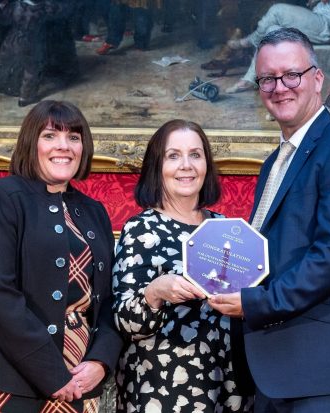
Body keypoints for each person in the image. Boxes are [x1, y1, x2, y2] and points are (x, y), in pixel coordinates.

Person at [209, 28, 330, 412]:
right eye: (268, 79)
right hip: (278, 366)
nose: (280, 87)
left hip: (323, 370)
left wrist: (256, 302)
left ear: (318, 78)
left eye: (292, 75)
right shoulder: (276, 161)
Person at [0, 100, 123, 411]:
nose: (64, 146)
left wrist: (101, 360)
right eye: (50, 136)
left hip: (79, 379)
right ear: (31, 143)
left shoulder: (95, 212)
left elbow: (109, 300)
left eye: (74, 137)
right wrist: (53, 374)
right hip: (3, 380)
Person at [112, 119, 254, 412]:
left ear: (207, 165)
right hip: (164, 387)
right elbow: (125, 322)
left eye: (195, 154)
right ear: (157, 166)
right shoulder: (141, 229)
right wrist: (155, 292)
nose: (186, 165)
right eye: (173, 155)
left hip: (230, 383)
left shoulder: (227, 229)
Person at [225, 0, 330, 93]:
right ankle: (250, 79)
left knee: (276, 10)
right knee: (272, 31)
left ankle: (250, 40)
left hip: (329, 23)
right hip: (317, 17)